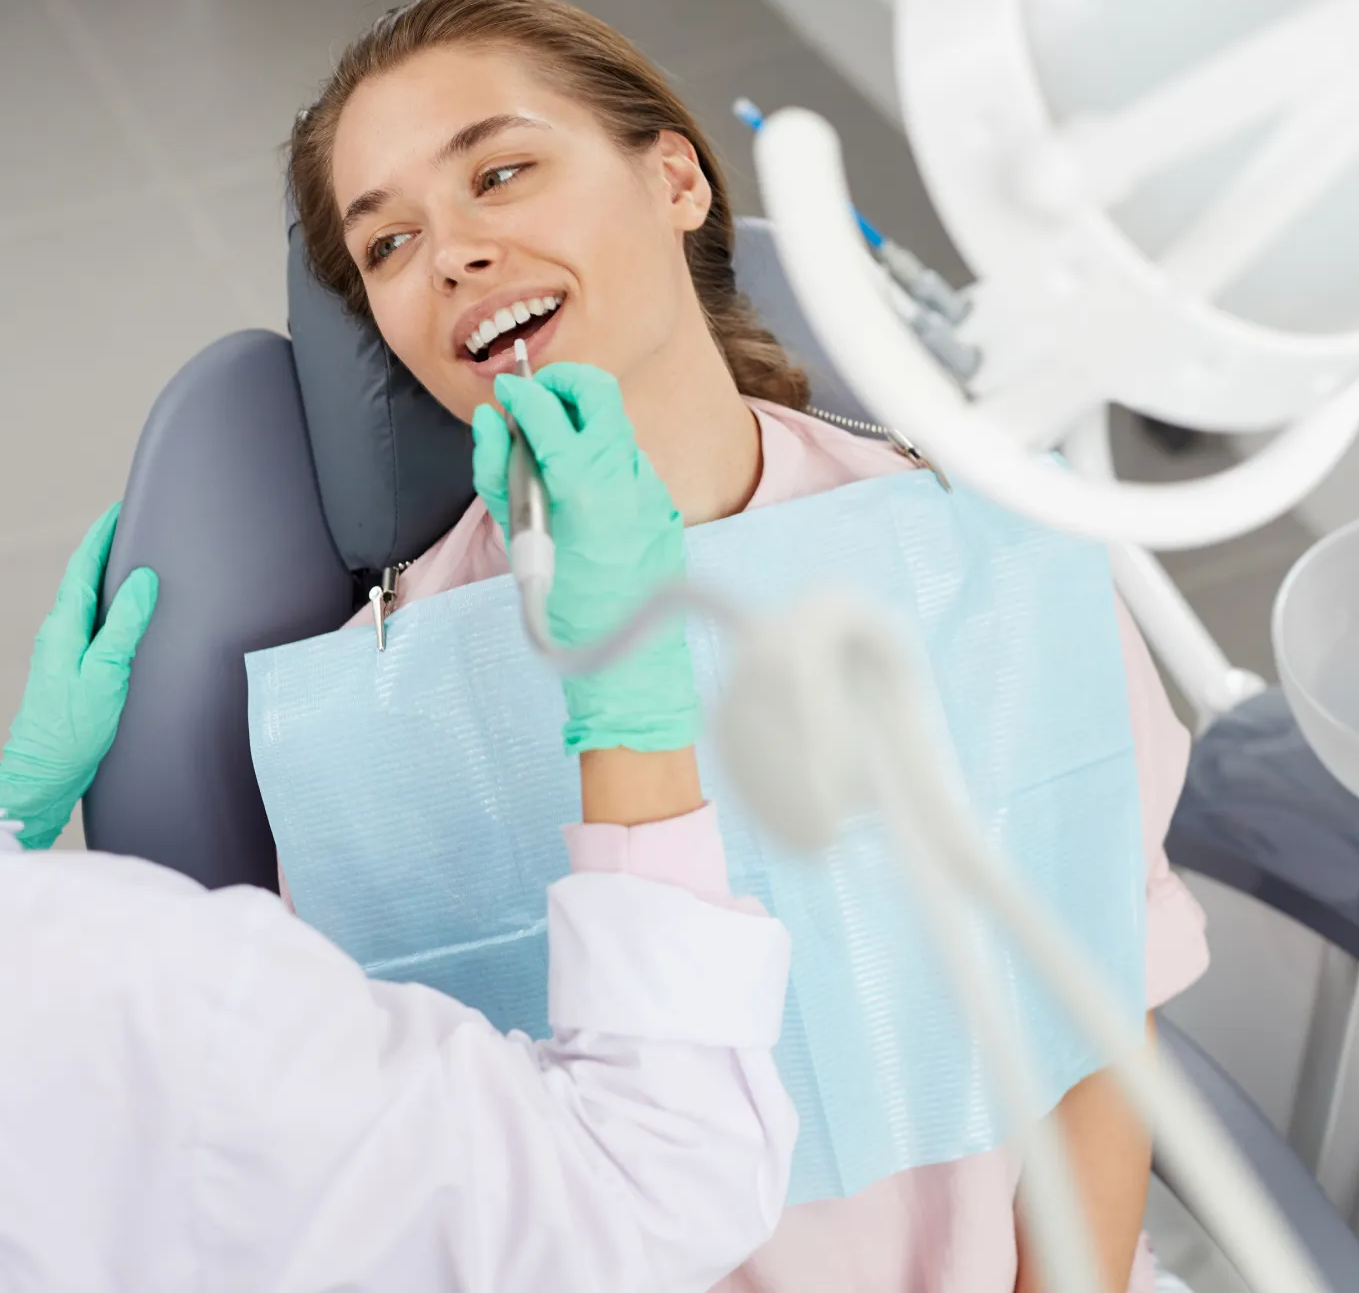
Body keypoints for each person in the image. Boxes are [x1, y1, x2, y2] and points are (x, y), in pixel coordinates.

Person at [283, 0, 1213, 1293]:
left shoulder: (970, 548)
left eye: (501, 171)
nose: (450, 255)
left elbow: (1101, 1010)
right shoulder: (398, 712)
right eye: (386, 247)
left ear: (674, 177)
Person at [0, 399, 797, 1288]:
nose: (460, 262)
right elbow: (651, 1189)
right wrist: (633, 706)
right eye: (389, 248)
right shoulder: (147, 1008)